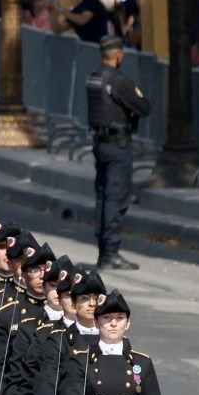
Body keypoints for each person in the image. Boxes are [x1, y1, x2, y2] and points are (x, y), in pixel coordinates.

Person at [85, 37, 149, 270]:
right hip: (118, 145)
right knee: (115, 197)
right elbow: (144, 106)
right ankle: (110, 252)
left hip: (100, 143)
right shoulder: (118, 80)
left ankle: (104, 251)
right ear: (119, 55)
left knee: (103, 196)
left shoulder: (94, 77)